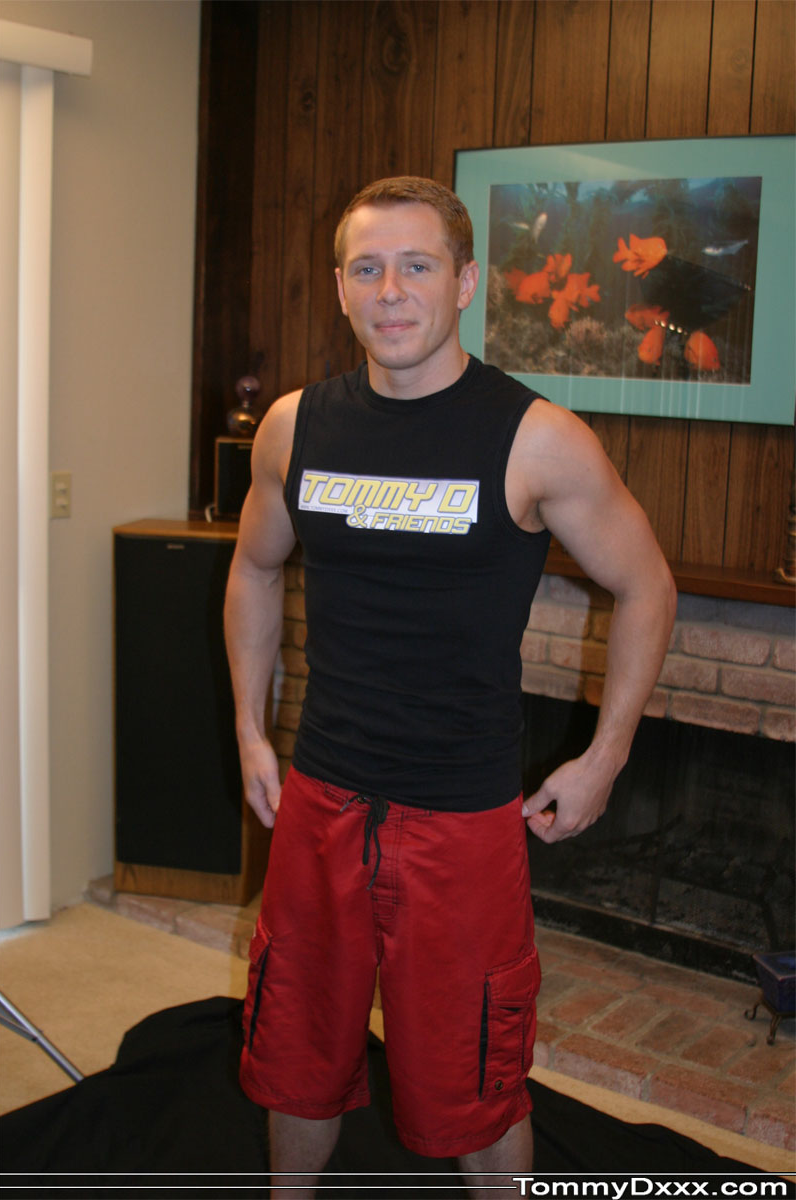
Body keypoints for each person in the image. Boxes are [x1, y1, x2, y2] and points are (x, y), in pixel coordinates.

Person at [224, 176, 677, 1196]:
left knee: (475, 1082)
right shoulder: (295, 428)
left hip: (461, 823)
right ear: (340, 287)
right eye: (367, 268)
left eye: (416, 265)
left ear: (465, 282)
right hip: (321, 800)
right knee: (294, 1053)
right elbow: (253, 566)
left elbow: (646, 584)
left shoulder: (536, 438)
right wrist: (251, 731)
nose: (390, 291)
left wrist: (604, 758)